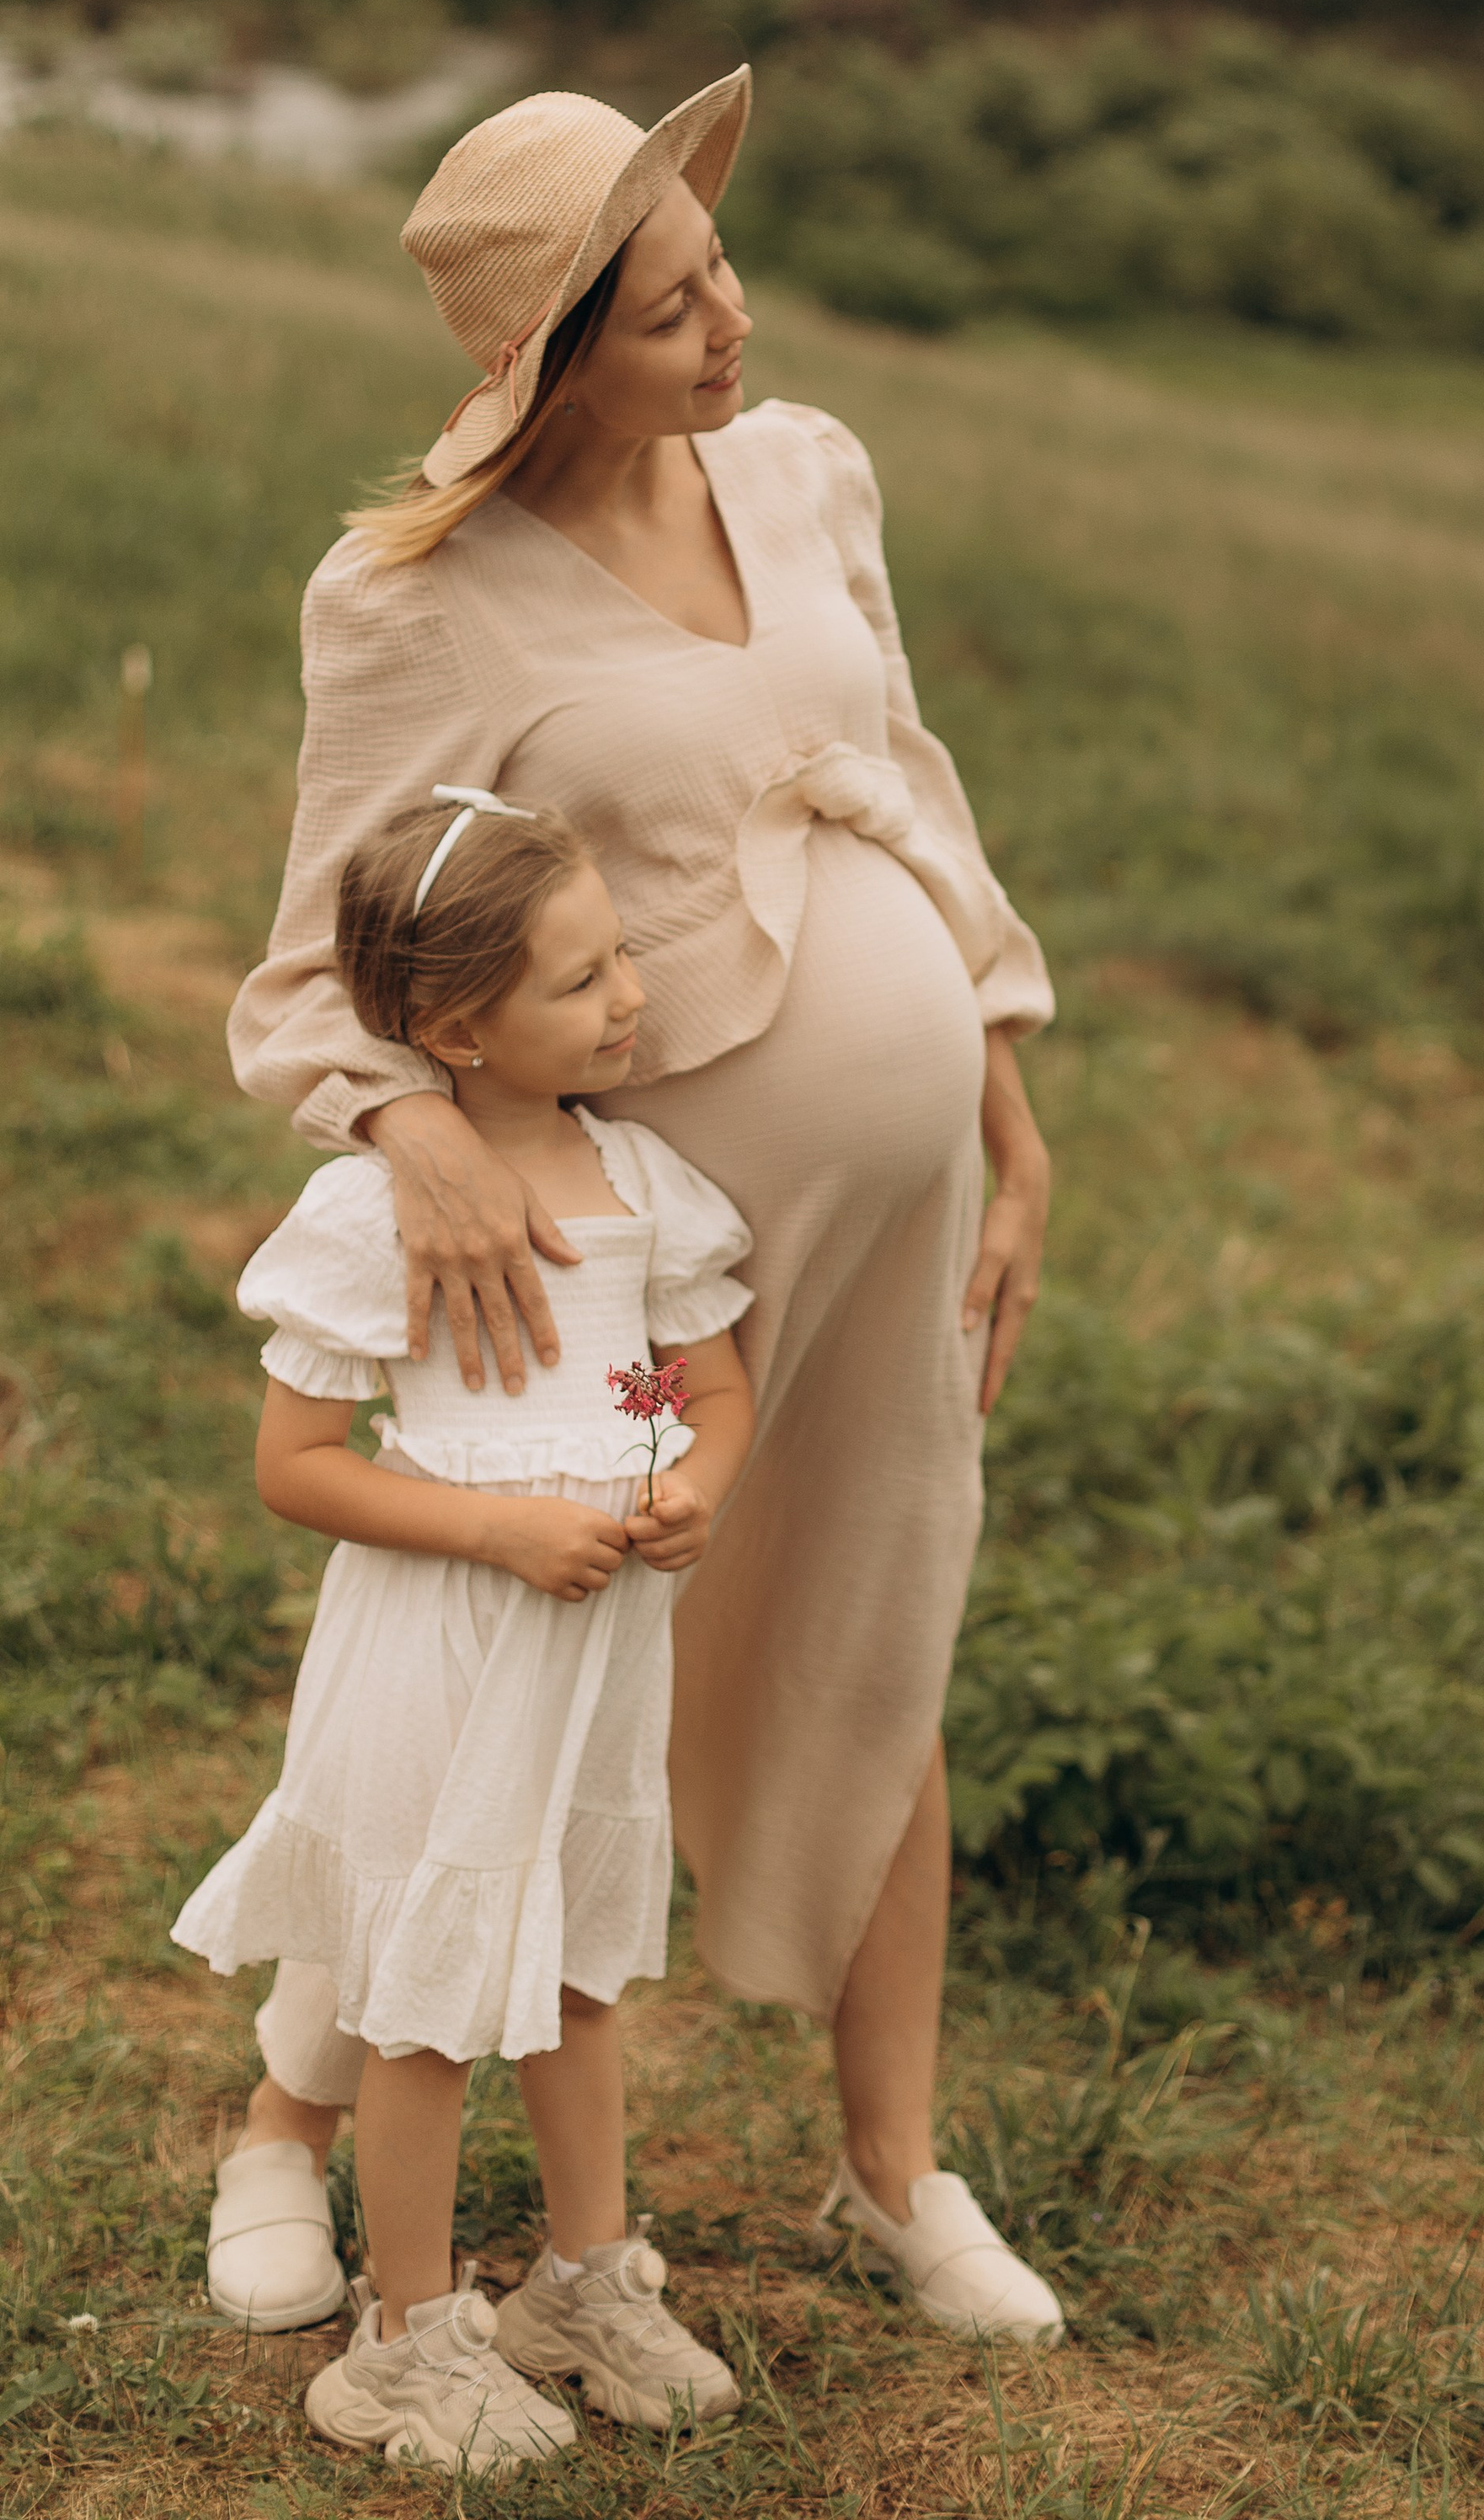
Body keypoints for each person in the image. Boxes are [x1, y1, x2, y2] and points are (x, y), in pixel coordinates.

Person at [206, 70, 1065, 2348]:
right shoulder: (422, 599)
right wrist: (411, 1133)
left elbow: (913, 794)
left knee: (881, 1626)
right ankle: (288, 2121)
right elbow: (319, 961)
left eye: (721, 268)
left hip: (874, 1227)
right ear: (555, 351)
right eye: (675, 306)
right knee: (511, 1688)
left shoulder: (804, 474)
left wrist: (1001, 1093)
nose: (732, 323)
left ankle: (897, 2172)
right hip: (636, 1240)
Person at [175, 791, 755, 2468]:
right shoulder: (381, 1214)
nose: (629, 998)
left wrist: (698, 1481)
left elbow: (710, 1386)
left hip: (591, 1664)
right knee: (423, 2000)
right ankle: (402, 2335)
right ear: (455, 1030)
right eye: (581, 982)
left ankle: (583, 2277)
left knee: (577, 1975)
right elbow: (295, 1467)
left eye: (619, 955)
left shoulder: (641, 1180)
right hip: (441, 1655)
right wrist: (499, 1526)